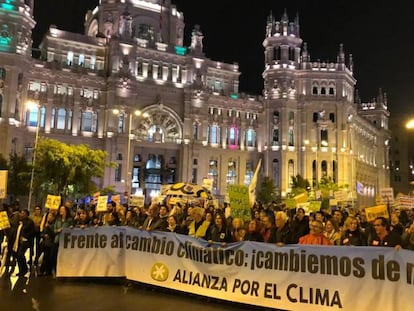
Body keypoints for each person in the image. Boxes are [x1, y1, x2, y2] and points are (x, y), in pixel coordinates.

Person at [9, 209, 35, 276]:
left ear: (26, 214)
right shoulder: (20, 222)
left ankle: (24, 269)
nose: (21, 214)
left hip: (26, 242)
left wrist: (25, 237)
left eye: (23, 213)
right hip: (18, 241)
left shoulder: (30, 222)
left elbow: (32, 232)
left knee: (20, 254)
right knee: (17, 255)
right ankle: (22, 270)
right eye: (21, 213)